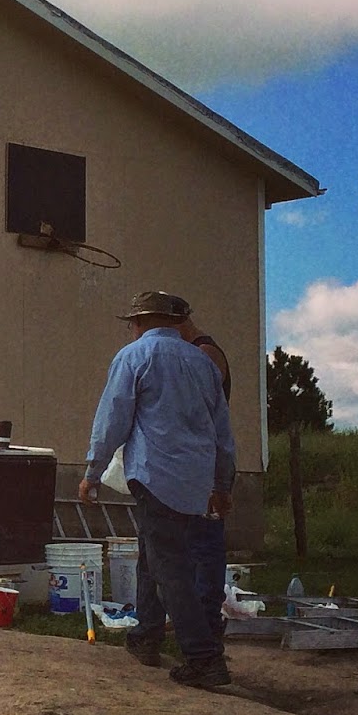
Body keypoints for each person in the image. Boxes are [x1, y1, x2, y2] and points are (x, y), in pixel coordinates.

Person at [79, 289, 236, 689]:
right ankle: (146, 636)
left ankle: (204, 658)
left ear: (139, 322)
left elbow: (112, 418)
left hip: (155, 475)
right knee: (154, 553)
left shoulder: (133, 357)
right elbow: (222, 431)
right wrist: (223, 483)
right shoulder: (203, 363)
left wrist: (93, 471)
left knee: (170, 568)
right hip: (195, 479)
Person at [179, 305, 233, 649]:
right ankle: (198, 620)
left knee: (205, 546)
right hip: (197, 462)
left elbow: (202, 414)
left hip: (206, 463)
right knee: (193, 546)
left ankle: (207, 624)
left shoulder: (205, 354)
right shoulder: (196, 352)